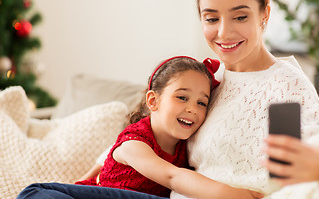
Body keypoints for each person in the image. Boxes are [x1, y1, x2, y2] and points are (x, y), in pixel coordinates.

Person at [17, 0, 319, 198]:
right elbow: (159, 129)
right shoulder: (209, 79)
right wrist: (101, 163)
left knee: (36, 193)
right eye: (211, 18)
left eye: (240, 16)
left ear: (264, 15)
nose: (224, 32)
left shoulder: (283, 83)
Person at [17, 56, 264, 199]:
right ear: (153, 101)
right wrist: (241, 195)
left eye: (202, 102)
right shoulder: (134, 142)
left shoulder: (188, 147)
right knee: (36, 193)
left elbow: (101, 162)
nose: (193, 109)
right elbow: (172, 176)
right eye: (182, 97)